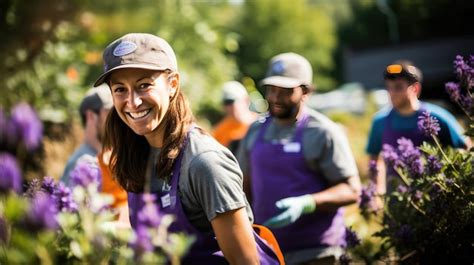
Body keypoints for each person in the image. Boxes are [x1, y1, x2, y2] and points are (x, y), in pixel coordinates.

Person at [94, 33, 280, 264]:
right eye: (120, 89)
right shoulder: (136, 153)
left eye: (144, 85)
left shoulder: (204, 162)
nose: (132, 102)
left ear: (172, 84)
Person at [237, 52, 361, 264]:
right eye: (271, 90)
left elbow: (351, 190)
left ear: (305, 92)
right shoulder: (255, 131)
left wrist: (308, 203)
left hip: (316, 252)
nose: (275, 98)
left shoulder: (322, 132)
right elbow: (243, 185)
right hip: (268, 250)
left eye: (285, 91)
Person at [366, 60, 469, 195]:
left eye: (398, 87)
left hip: (434, 201)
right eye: (389, 87)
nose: (391, 93)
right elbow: (374, 159)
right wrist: (376, 192)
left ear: (415, 88)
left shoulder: (437, 118)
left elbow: (465, 148)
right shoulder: (379, 121)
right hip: (397, 204)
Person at [61, 85, 113, 185]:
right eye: (111, 113)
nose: (117, 120)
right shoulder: (83, 165)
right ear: (91, 116)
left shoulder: (113, 158)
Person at [212, 81, 257, 154]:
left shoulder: (260, 124)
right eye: (225, 103)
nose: (228, 107)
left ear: (246, 100)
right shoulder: (220, 131)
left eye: (231, 101)